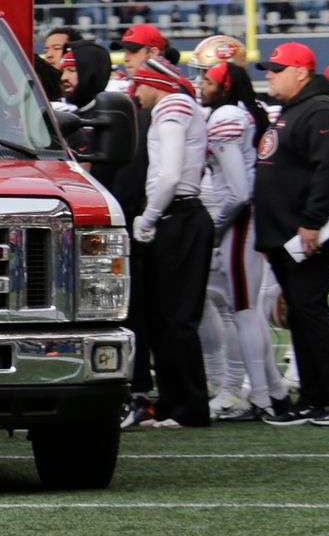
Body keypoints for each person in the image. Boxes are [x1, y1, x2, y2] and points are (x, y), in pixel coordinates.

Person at [254, 41, 329, 425]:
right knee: (300, 314)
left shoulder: (322, 111)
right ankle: (315, 397)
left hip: (309, 233)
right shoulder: (295, 109)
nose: (268, 74)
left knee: (311, 310)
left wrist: (312, 220)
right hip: (286, 234)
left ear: (301, 72)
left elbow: (328, 171)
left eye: (276, 68)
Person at [183, 37, 280, 422]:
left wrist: (217, 225)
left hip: (241, 220)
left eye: (207, 80)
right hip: (245, 218)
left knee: (243, 309)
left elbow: (238, 191)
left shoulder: (226, 118)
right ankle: (270, 390)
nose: (200, 85)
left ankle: (261, 398)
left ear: (223, 84)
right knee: (245, 309)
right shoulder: (240, 113)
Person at [123, 59, 213, 429]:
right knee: (164, 317)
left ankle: (190, 406)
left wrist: (150, 216)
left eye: (138, 86)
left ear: (151, 82)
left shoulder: (172, 105)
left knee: (177, 318)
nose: (135, 95)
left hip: (179, 215)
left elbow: (171, 172)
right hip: (175, 215)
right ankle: (175, 401)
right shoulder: (175, 106)